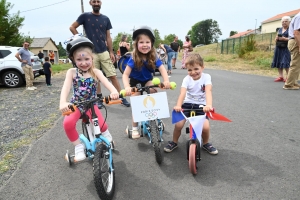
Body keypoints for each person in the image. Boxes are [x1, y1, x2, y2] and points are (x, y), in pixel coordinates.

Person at [60, 36, 119, 162]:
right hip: (76, 104)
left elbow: (107, 83)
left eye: (87, 59)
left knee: (102, 126)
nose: (83, 62)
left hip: (92, 104)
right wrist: (63, 102)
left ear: (92, 58)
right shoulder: (72, 72)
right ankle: (79, 146)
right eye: (79, 59)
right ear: (73, 60)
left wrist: (114, 91)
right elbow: (65, 88)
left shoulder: (96, 72)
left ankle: (107, 135)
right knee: (67, 124)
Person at [69, 0, 130, 108]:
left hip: (103, 51)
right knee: (95, 77)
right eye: (94, 1)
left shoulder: (105, 19)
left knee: (113, 75)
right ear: (90, 3)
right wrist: (80, 39)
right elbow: (72, 27)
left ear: (100, 3)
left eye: (98, 1)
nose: (96, 3)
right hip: (91, 53)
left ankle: (121, 96)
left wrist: (111, 51)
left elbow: (108, 37)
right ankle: (99, 99)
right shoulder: (85, 16)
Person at [164, 53, 218, 155]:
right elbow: (182, 93)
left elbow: (208, 91)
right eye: (189, 70)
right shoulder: (186, 79)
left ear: (202, 67)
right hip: (187, 105)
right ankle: (174, 142)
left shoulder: (206, 77)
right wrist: (178, 105)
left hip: (202, 106)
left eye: (196, 69)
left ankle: (206, 143)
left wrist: (209, 105)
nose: (193, 72)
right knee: (178, 125)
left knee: (205, 127)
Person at [122, 26, 170, 139]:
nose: (144, 45)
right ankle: (134, 128)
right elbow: (125, 75)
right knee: (136, 104)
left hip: (148, 80)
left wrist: (166, 81)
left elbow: (162, 69)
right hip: (135, 82)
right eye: (141, 42)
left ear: (152, 43)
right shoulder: (133, 57)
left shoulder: (154, 56)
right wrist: (127, 87)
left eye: (147, 42)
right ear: (136, 44)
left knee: (154, 92)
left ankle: (157, 118)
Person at [283, 12, 300, 90]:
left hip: (295, 41)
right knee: (295, 63)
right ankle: (289, 84)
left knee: (297, 64)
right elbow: (296, 33)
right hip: (295, 41)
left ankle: (293, 82)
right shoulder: (299, 17)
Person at [271, 16, 291, 82]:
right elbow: (276, 37)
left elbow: (292, 39)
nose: (284, 23)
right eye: (283, 21)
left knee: (285, 62)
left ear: (289, 22)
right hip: (279, 47)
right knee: (278, 60)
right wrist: (276, 39)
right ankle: (281, 76)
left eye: (286, 21)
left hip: (286, 47)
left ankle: (288, 77)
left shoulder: (291, 29)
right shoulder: (279, 29)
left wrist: (284, 39)